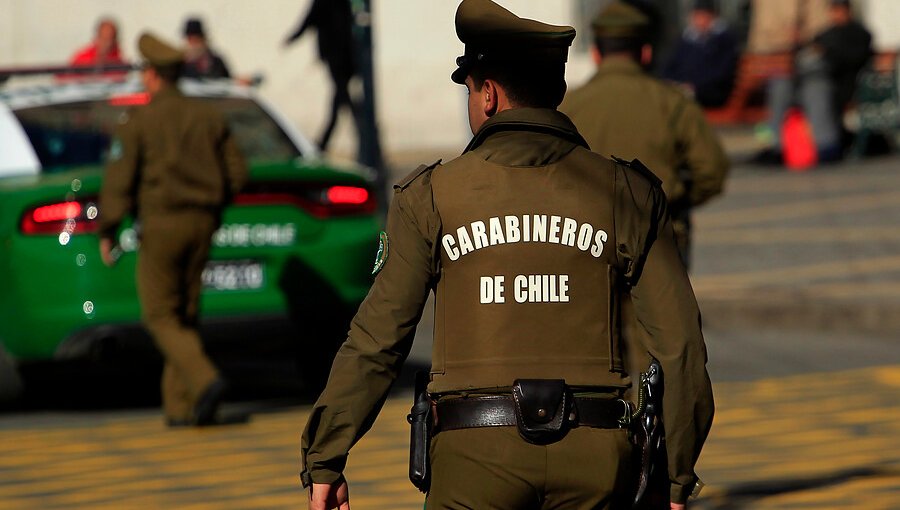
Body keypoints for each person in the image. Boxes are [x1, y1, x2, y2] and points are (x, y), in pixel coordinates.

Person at [300, 1, 714, 509]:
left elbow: (379, 339)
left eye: (470, 90)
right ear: (557, 93)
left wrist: (327, 456)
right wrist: (677, 476)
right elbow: (681, 346)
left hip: (472, 461)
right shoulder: (628, 191)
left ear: (489, 96)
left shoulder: (430, 196)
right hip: (598, 460)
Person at [98, 32, 248, 427]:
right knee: (184, 312)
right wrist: (214, 206)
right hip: (202, 222)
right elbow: (237, 171)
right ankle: (180, 406)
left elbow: (119, 180)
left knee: (160, 315)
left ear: (151, 75)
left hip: (162, 223)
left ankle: (204, 380)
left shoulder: (140, 120)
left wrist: (107, 229)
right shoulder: (208, 116)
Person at [561, 1, 729, 268]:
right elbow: (711, 170)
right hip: (660, 240)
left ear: (595, 53)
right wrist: (675, 201)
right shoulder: (673, 103)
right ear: (646, 53)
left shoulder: (568, 106)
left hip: (588, 242)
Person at [752, 0, 871, 165]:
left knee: (816, 90)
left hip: (837, 84)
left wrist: (819, 53)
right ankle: (777, 146)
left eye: (839, 10)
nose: (836, 14)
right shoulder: (826, 33)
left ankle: (826, 146)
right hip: (807, 78)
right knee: (780, 87)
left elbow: (844, 60)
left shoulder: (856, 33)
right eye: (834, 10)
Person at [284, 0, 360, 152]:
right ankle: (327, 141)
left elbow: (308, 20)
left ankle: (324, 142)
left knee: (341, 97)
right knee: (342, 97)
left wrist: (292, 38)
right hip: (346, 56)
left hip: (337, 56)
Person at [661, 0, 739, 108]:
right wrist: (673, 82)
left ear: (712, 17)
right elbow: (669, 66)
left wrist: (694, 87)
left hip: (710, 93)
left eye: (703, 16)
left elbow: (722, 73)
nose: (700, 20)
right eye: (697, 16)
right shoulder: (685, 40)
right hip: (683, 89)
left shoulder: (724, 40)